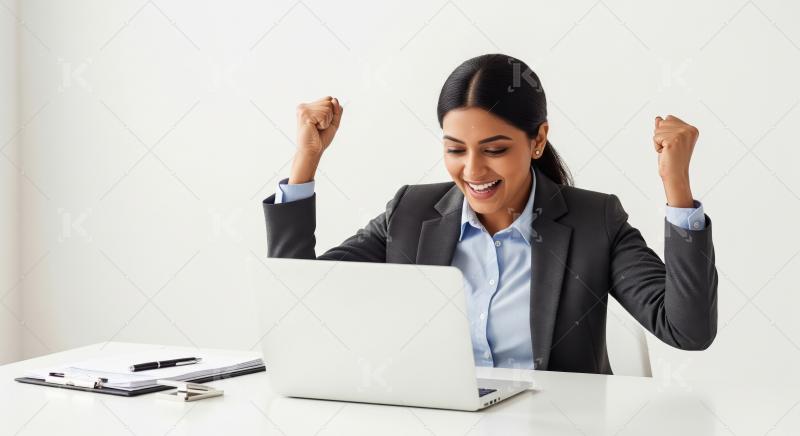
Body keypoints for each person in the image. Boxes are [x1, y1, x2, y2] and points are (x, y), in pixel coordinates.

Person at [261, 53, 717, 375]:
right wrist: (306, 161)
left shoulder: (595, 220)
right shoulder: (410, 213)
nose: (473, 170)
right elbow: (299, 306)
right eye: (455, 149)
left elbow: (687, 330)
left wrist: (676, 188)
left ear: (537, 141)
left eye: (495, 150)